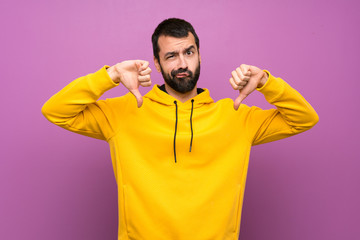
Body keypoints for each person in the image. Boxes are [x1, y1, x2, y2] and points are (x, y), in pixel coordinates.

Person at [42, 18, 318, 240]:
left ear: (199, 55)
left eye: (189, 52)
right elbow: (55, 111)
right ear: (158, 63)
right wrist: (110, 75)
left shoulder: (235, 117)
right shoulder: (123, 113)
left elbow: (304, 118)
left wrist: (266, 82)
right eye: (171, 56)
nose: (182, 63)